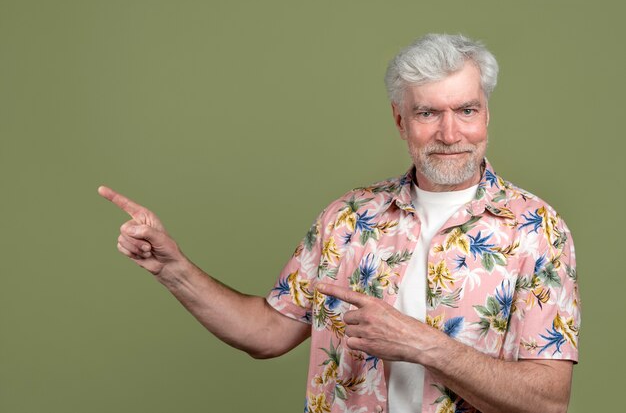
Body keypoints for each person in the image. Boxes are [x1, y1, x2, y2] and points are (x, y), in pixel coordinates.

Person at [99, 34, 580, 413]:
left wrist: (426, 346)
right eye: (428, 112)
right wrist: (173, 269)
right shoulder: (348, 219)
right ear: (400, 121)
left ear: (486, 115)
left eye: (466, 110)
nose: (450, 133)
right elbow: (268, 334)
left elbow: (548, 400)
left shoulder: (536, 229)